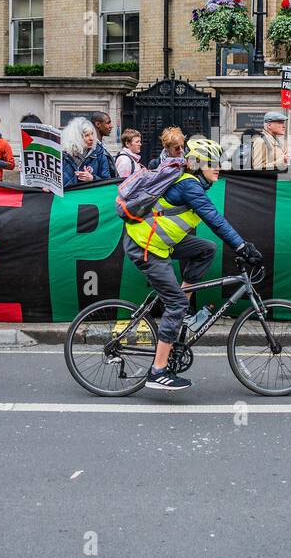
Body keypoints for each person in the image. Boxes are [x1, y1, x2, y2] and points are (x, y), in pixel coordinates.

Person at [122, 137, 263, 391]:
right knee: (174, 304)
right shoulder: (189, 186)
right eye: (212, 162)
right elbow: (214, 219)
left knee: (206, 249)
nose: (218, 166)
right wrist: (242, 247)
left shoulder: (194, 183)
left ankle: (182, 306)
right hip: (145, 246)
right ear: (198, 165)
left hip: (160, 244)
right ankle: (157, 371)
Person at [61, 117, 113, 187]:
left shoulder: (99, 153)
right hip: (68, 196)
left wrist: (93, 178)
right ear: (76, 138)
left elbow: (107, 180)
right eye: (86, 135)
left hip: (90, 196)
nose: (92, 138)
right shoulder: (63, 154)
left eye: (92, 134)